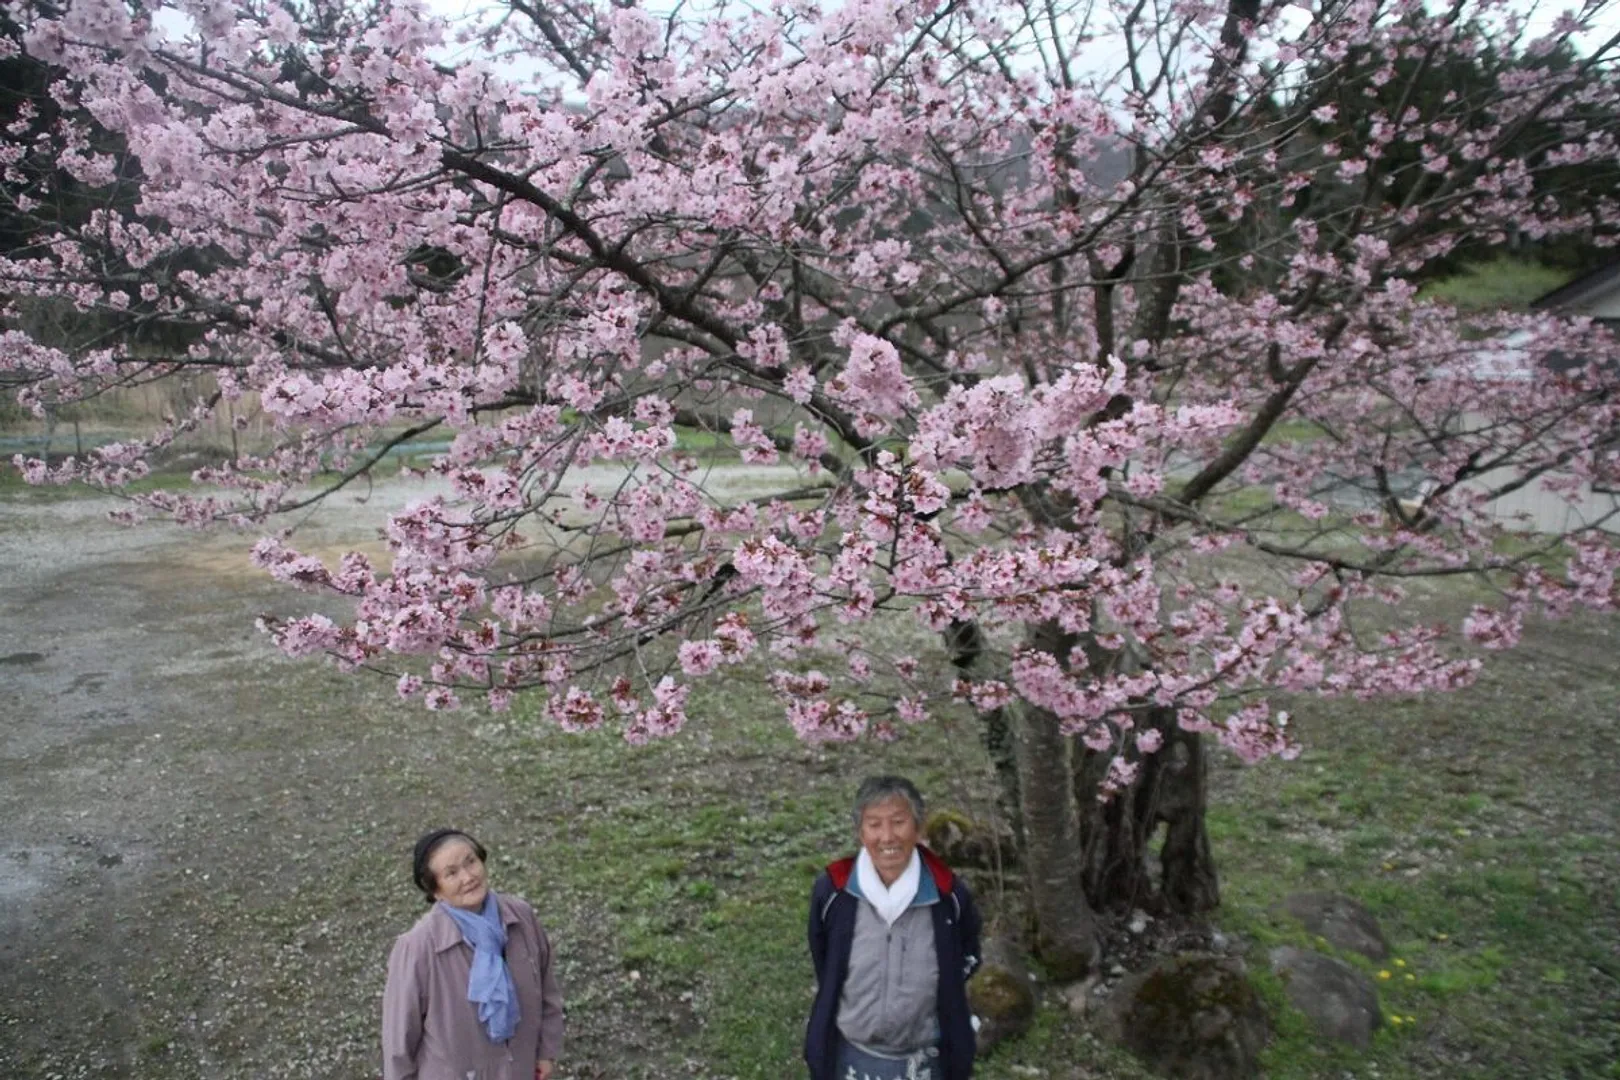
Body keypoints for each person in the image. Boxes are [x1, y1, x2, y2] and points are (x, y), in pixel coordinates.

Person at [806, 776, 983, 1080]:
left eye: (898, 822)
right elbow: (825, 959)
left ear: (917, 827)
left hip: (925, 1060)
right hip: (851, 1056)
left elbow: (967, 952)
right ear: (861, 832)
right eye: (874, 825)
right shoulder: (833, 892)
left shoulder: (947, 896)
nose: (887, 837)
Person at [383, 829, 564, 1080]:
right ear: (436, 891)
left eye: (470, 861)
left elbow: (547, 989)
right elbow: (399, 1041)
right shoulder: (417, 948)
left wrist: (546, 1052)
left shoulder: (521, 916)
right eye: (451, 873)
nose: (468, 877)